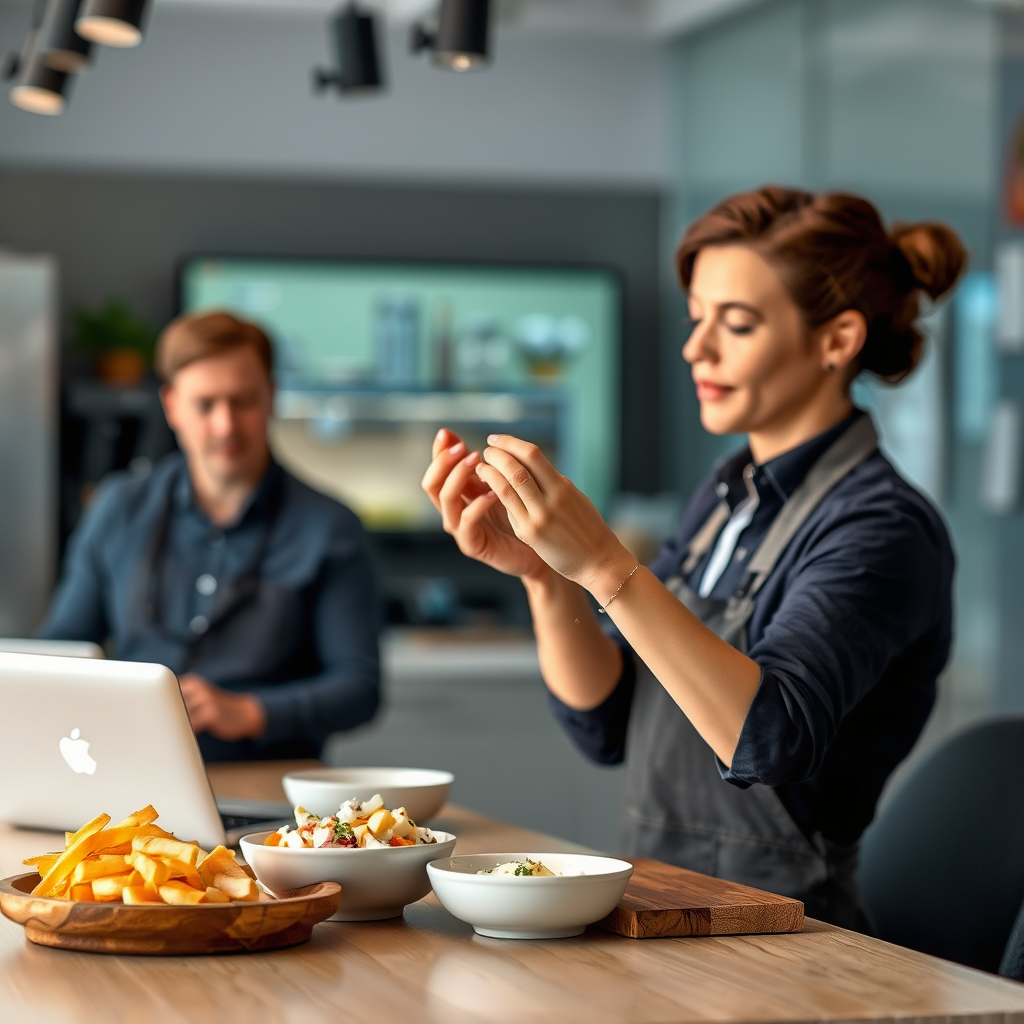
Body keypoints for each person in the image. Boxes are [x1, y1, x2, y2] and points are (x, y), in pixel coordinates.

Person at [422, 187, 965, 928]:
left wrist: (605, 565)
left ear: (837, 340)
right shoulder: (724, 495)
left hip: (789, 938)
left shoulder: (881, 529)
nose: (696, 349)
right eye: (696, 319)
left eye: (736, 324)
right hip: (658, 912)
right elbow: (610, 722)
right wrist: (545, 574)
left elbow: (770, 737)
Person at [39, 311, 380, 761]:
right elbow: (62, 648)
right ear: (172, 406)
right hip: (132, 773)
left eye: (243, 401)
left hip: (271, 786)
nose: (226, 425)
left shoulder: (331, 527)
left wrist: (251, 712)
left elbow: (358, 687)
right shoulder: (117, 508)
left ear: (272, 397)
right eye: (205, 404)